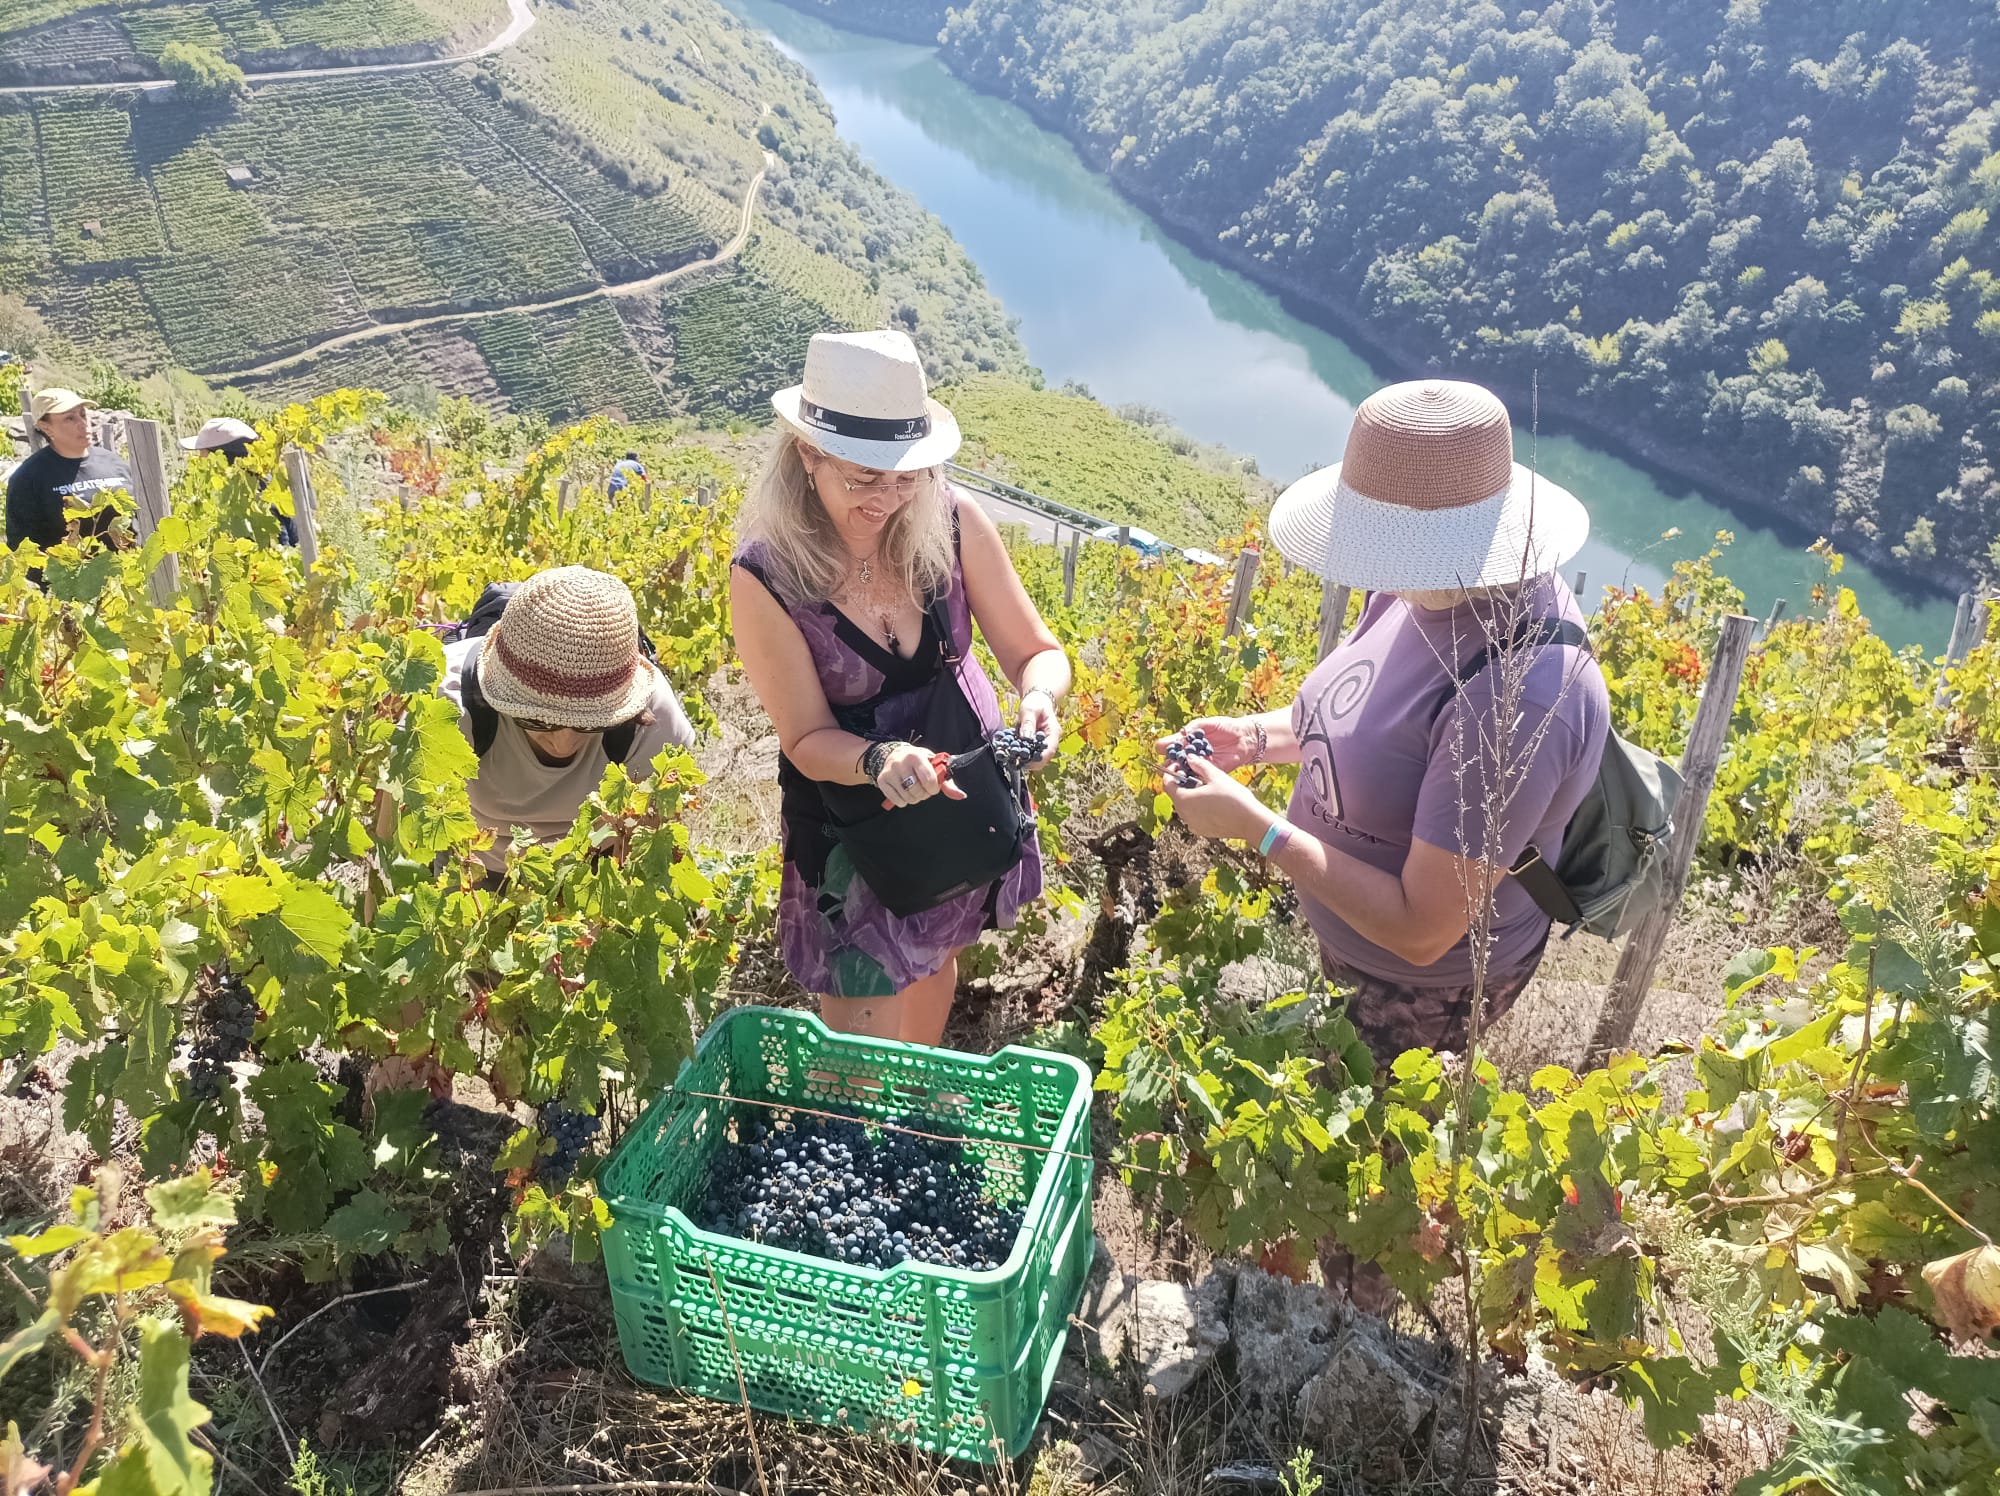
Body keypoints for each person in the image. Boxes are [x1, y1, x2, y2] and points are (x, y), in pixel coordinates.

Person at [1162, 379, 1609, 1065]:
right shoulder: (1422, 585)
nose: (1375, 565)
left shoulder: (1520, 698)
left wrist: (1257, 828)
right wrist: (1251, 739)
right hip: (1349, 937)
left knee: (1375, 1142)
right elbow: (1364, 716)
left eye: (1387, 543)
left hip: (1421, 985)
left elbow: (1421, 928)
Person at [731, 329, 1070, 1047]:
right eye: (864, 478)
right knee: (858, 1043)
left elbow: (1035, 651)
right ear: (807, 454)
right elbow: (805, 738)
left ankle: (914, 1120)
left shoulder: (950, 519)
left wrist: (1039, 698)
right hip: (857, 830)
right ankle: (858, 1143)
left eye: (905, 475)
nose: (889, 498)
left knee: (933, 962)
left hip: (958, 814)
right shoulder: (768, 576)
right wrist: (878, 760)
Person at [440, 565, 695, 880]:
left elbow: (640, 845)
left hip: (582, 870)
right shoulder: (448, 705)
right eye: (536, 719)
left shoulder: (656, 727)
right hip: (472, 869)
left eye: (590, 724)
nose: (564, 742)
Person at [6, 388, 132, 582]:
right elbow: (24, 549)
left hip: (129, 582)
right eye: (69, 419)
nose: (83, 424)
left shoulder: (114, 463)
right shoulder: (29, 478)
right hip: (73, 591)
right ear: (45, 426)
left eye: (83, 414)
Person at [181, 415, 293, 544]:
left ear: (220, 459)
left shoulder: (258, 504)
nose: (199, 459)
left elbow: (282, 550)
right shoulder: (264, 486)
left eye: (202, 453)